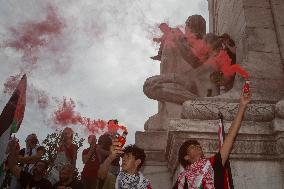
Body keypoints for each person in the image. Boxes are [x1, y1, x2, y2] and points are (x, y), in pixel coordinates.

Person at [172, 92, 252, 189]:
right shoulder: (182, 180)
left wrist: (242, 106)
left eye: (198, 145)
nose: (198, 147)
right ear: (186, 157)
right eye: (192, 147)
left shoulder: (214, 163)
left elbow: (230, 137)